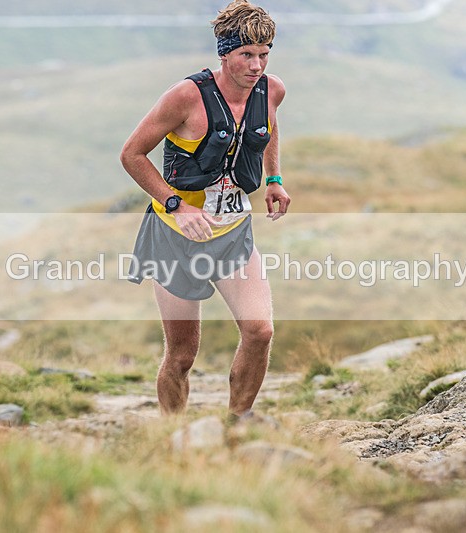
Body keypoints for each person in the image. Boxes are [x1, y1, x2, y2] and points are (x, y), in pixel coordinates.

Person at [120, 0, 290, 419]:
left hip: (233, 231)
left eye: (264, 53)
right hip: (175, 236)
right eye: (246, 55)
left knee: (260, 330)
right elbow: (132, 154)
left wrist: (273, 179)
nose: (257, 65)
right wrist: (176, 206)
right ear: (224, 53)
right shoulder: (186, 96)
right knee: (181, 356)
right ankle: (172, 434)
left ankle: (238, 423)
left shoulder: (272, 89)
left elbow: (266, 127)